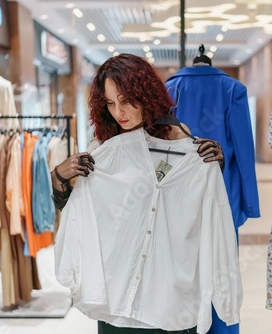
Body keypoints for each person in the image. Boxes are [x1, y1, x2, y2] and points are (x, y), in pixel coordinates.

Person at [51, 53, 241, 333]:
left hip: (169, 299)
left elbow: (209, 217)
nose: (120, 113)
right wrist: (59, 177)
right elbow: (78, 214)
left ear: (146, 94)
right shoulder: (104, 147)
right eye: (111, 103)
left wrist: (214, 167)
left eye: (127, 100)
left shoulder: (182, 140)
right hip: (116, 296)